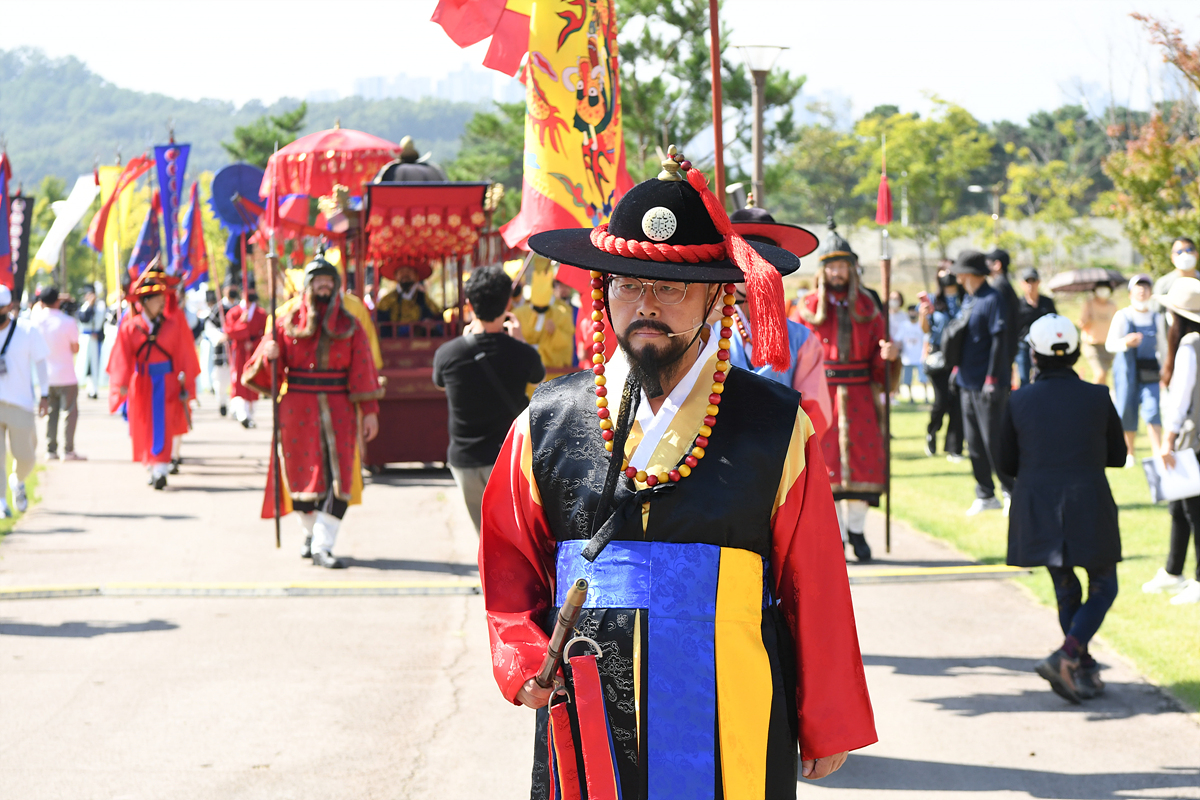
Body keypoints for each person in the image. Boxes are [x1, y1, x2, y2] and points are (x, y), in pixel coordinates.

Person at [481, 152, 876, 799]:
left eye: (671, 287)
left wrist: (826, 719)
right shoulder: (546, 419)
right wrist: (523, 658)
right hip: (585, 700)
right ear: (603, 290)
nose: (647, 304)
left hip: (734, 701)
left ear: (717, 296)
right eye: (630, 284)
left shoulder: (776, 424)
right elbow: (507, 556)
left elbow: (817, 576)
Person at [998, 314, 1125, 703]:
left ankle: (1078, 666)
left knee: (1066, 587)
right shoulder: (1097, 396)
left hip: (1039, 505)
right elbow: (1118, 456)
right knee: (1104, 585)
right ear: (1072, 354)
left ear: (1034, 355)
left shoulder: (1018, 400)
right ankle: (1072, 659)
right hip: (1088, 500)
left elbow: (1005, 463)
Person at [243, 256, 383, 569]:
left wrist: (370, 410)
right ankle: (311, 535)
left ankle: (322, 544)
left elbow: (363, 369)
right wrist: (270, 356)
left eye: (328, 280)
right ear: (308, 286)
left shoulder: (351, 325)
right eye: (317, 280)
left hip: (340, 407)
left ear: (335, 286)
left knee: (340, 477)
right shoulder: (285, 323)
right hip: (297, 408)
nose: (323, 285)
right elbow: (264, 373)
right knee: (301, 476)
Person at [799, 221, 899, 562]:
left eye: (843, 265)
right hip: (820, 393)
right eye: (832, 265)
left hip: (860, 396)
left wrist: (889, 359)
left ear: (852, 268)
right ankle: (837, 535)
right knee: (826, 465)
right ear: (823, 269)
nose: (838, 272)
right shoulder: (807, 308)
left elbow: (879, 358)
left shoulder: (870, 307)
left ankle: (856, 530)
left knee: (862, 463)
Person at [432, 266, 544, 533]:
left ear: (469, 304)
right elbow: (537, 377)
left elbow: (439, 384)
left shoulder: (448, 354)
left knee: (484, 536)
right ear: (507, 302)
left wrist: (464, 342)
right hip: (509, 458)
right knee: (512, 536)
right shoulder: (523, 354)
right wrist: (519, 340)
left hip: (465, 459)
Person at [728, 205, 832, 436]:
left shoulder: (802, 340)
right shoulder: (706, 331)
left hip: (781, 457)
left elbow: (815, 413)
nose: (755, 272)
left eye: (765, 263)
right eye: (745, 261)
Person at [106, 269, 199, 490]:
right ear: (145, 302)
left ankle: (161, 468)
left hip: (167, 382)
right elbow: (122, 358)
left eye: (162, 298)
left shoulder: (173, 326)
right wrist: (121, 384)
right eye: (157, 299)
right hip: (142, 381)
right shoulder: (130, 326)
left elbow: (184, 355)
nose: (161, 302)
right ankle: (150, 463)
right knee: (144, 422)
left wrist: (185, 383)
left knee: (165, 422)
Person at [1141, 277, 1200, 605]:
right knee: (1179, 506)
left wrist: (1167, 440)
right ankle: (1173, 571)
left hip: (1191, 438)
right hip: (1193, 436)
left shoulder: (1190, 343)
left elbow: (1179, 399)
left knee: (1193, 509)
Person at [952, 250, 1014, 516]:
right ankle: (985, 493)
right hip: (967, 381)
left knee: (994, 440)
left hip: (988, 383)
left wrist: (992, 377)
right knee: (974, 442)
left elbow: (1000, 341)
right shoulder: (969, 299)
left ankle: (1010, 489)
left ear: (968, 274)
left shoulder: (993, 298)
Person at [0, 285, 49, 517]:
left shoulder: (27, 331)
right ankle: (1, 502)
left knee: (27, 456)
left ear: (10, 307)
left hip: (21, 403)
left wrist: (45, 395)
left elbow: (40, 363)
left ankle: (17, 481)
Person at [1106, 274, 1163, 467]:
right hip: (1126, 371)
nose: (1142, 291)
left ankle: (1158, 452)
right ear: (1131, 293)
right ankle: (1129, 452)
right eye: (1138, 287)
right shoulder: (1123, 316)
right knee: (1127, 410)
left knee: (1153, 409)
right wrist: (1125, 342)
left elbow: (1163, 347)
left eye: (1146, 287)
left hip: (1150, 371)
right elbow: (1109, 344)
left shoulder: (1158, 317)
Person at [33, 287, 83, 461]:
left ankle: (50, 449)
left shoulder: (36, 321)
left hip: (46, 376)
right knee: (69, 412)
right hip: (66, 374)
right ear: (58, 301)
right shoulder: (67, 321)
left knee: (51, 413)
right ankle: (68, 450)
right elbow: (75, 348)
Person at [921, 273, 963, 459]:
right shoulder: (932, 300)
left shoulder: (966, 299)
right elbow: (926, 329)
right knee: (941, 401)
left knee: (957, 403)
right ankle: (932, 431)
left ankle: (954, 447)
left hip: (960, 356)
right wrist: (923, 315)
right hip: (938, 356)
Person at [512, 256, 575, 376]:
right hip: (526, 377)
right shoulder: (518, 314)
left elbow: (567, 346)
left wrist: (555, 333)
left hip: (552, 376)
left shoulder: (562, 314)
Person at [224, 289, 266, 428]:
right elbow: (229, 331)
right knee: (239, 381)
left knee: (254, 379)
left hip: (255, 350)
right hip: (240, 351)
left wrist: (254, 344)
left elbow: (266, 333)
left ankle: (250, 414)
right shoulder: (235, 312)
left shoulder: (261, 314)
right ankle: (242, 413)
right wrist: (242, 323)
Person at [1014, 267, 1056, 386]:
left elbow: (1054, 321)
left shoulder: (1047, 302)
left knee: (1044, 377)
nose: (1031, 285)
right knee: (1024, 379)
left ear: (1038, 282)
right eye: (1028, 281)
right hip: (1023, 346)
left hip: (1043, 345)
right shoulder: (1018, 304)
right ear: (1022, 284)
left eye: (1034, 281)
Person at [986, 249, 1020, 388]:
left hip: (1003, 349)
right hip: (1008, 346)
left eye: (988, 263)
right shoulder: (1005, 284)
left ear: (997, 265)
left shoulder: (998, 286)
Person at [203, 288, 235, 416]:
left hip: (235, 349)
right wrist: (219, 336)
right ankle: (222, 402)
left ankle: (235, 408)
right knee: (220, 380)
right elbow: (209, 326)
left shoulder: (238, 307)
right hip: (221, 349)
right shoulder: (218, 308)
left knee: (235, 379)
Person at [1079, 282, 1117, 385]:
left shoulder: (1112, 306)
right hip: (1092, 345)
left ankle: (1101, 399)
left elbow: (1116, 324)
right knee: (1100, 373)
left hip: (1107, 345)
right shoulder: (1089, 304)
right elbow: (1081, 324)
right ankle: (1092, 398)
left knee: (1104, 376)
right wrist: (1088, 320)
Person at [77, 283, 106, 399]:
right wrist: (90, 305)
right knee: (85, 364)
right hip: (85, 339)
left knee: (95, 364)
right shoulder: (84, 307)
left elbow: (101, 323)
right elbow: (84, 319)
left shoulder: (100, 306)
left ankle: (94, 388)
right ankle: (88, 387)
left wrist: (98, 334)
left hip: (94, 339)